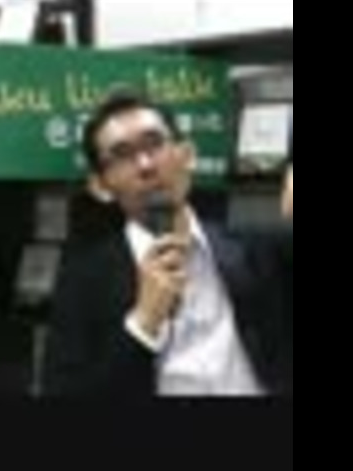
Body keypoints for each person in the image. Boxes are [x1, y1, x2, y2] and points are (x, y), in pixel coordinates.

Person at [43, 88, 292, 397]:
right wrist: (143, 324)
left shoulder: (255, 250)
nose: (146, 165)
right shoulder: (82, 281)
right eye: (121, 155)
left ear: (187, 155)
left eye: (154, 143)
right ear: (101, 186)